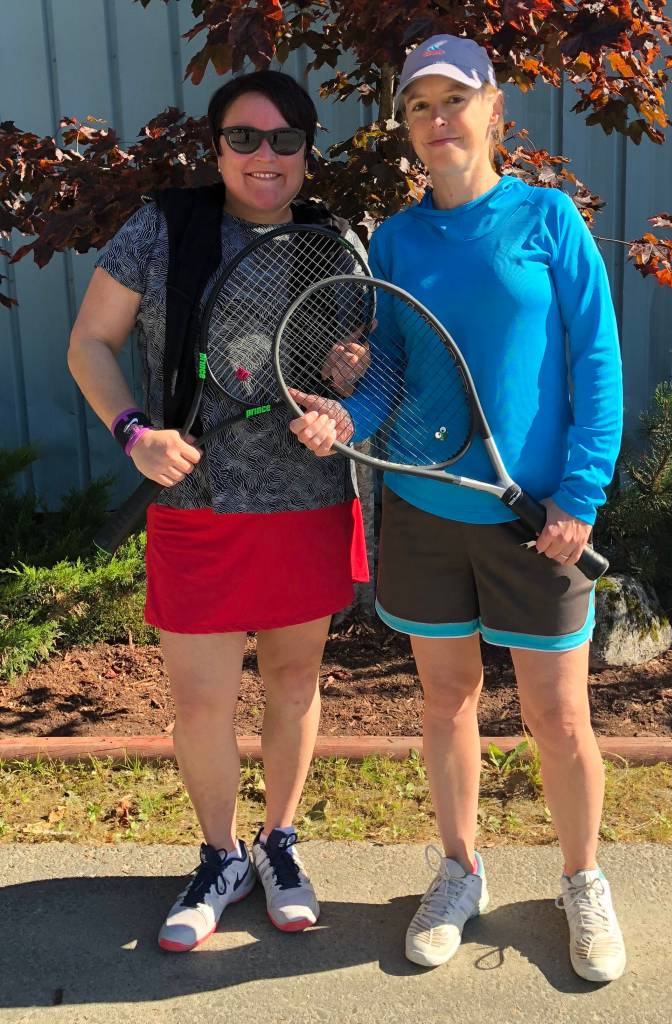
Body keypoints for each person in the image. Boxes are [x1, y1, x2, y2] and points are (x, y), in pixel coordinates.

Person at [289, 36, 626, 982]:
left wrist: (580, 496)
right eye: (419, 107)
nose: (439, 121)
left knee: (558, 720)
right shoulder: (394, 241)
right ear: (405, 129)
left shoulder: (549, 220)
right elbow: (388, 377)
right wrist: (341, 412)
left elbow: (595, 367)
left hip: (539, 520)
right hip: (425, 513)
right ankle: (459, 870)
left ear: (493, 113)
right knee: (445, 701)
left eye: (455, 100)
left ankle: (582, 881)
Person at [68, 70, 369, 951]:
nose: (263, 156)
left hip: (305, 504)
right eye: (244, 138)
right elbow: (91, 340)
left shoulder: (339, 241)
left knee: (293, 685)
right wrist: (134, 434)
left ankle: (279, 844)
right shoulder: (164, 227)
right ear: (217, 147)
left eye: (283, 139)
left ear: (307, 149)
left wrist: (341, 393)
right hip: (194, 502)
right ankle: (217, 855)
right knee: (200, 705)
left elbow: (356, 363)